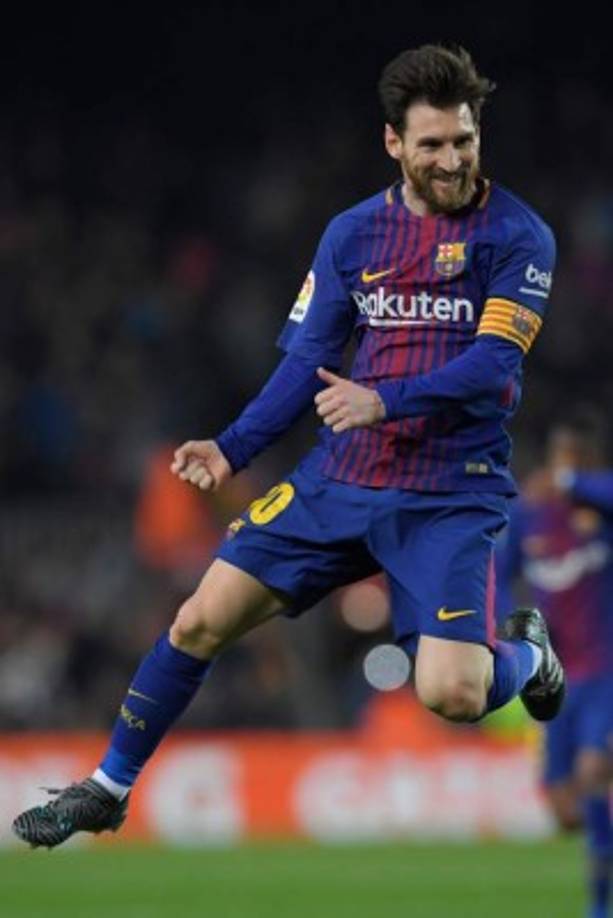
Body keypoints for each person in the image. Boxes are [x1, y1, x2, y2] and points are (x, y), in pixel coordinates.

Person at [13, 43, 564, 849]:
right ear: (393, 143)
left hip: (448, 490)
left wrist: (383, 398)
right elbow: (305, 363)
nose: (451, 160)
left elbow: (492, 364)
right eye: (433, 145)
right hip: (339, 480)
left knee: (449, 692)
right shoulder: (351, 235)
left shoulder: (517, 236)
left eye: (463, 141)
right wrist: (232, 448)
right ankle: (108, 787)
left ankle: (527, 658)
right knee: (201, 617)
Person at [496, 413, 613, 918]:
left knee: (594, 774)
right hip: (558, 678)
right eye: (560, 461)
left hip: (607, 669)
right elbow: (499, 576)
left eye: (575, 462)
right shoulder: (532, 516)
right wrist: (510, 626)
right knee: (566, 810)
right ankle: (601, 863)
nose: (565, 471)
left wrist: (570, 482)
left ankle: (598, 904)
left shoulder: (601, 510)